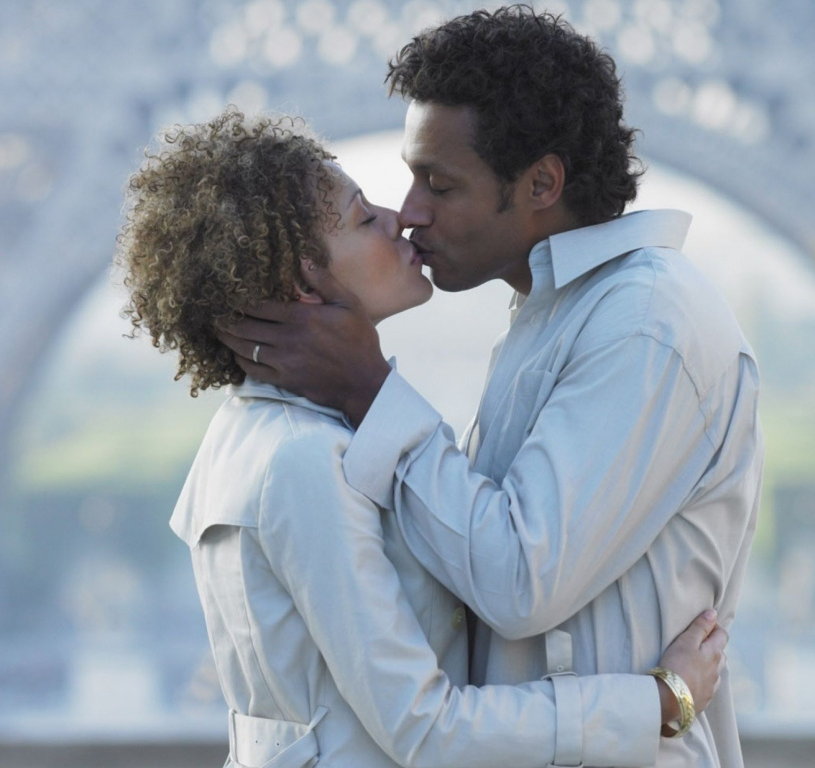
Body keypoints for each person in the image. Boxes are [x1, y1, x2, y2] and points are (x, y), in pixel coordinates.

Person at [218, 7, 764, 767]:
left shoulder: (645, 321)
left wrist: (371, 391)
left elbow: (519, 583)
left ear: (541, 182)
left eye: (439, 185)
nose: (410, 214)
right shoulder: (555, 316)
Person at [117, 107, 728, 768]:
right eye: (363, 219)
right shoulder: (303, 459)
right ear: (303, 282)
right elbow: (427, 728)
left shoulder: (264, 432)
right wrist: (657, 703)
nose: (398, 218)